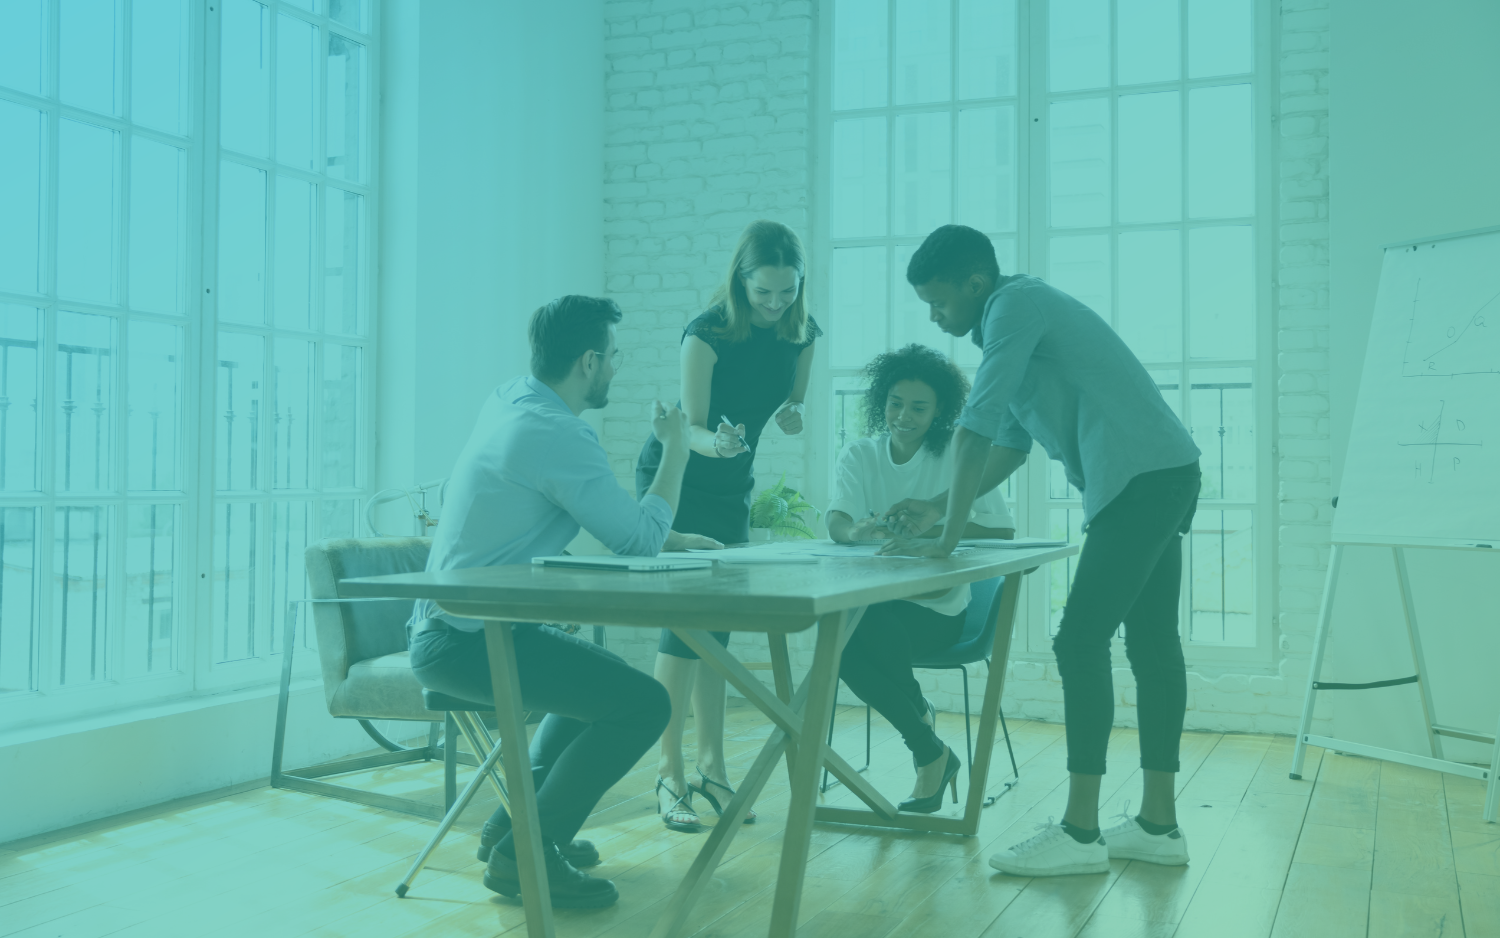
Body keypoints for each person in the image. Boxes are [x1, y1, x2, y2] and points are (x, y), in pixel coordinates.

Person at [882, 226, 1202, 876]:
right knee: (1151, 645)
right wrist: (939, 507)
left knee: (1079, 641)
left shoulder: (1013, 306)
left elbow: (973, 427)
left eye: (939, 302)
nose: (934, 317)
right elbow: (1007, 445)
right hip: (1163, 474)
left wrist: (948, 538)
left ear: (975, 284)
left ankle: (1080, 833)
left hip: (1139, 482)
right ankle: (1158, 826)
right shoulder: (1010, 324)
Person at [406, 295, 689, 909]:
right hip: (467, 644)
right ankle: (525, 856)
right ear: (589, 361)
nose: (615, 367)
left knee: (606, 686)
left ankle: (511, 828)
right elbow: (637, 541)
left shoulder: (510, 399)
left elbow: (612, 522)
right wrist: (676, 448)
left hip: (453, 631)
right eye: (613, 356)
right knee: (644, 704)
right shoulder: (559, 433)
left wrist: (667, 533)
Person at [634, 220, 820, 832]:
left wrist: (793, 416)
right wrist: (717, 442)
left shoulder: (802, 333)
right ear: (740, 280)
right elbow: (688, 428)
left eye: (787, 291)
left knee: (715, 632)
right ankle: (668, 774)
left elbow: (793, 402)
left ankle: (712, 770)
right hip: (678, 475)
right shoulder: (705, 333)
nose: (775, 304)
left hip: (731, 486)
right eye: (763, 291)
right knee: (681, 630)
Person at [825, 344, 1015, 813]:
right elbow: (837, 520)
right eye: (895, 403)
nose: (903, 416)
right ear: (881, 401)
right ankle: (930, 751)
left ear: (939, 411)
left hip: (939, 610)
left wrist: (932, 527)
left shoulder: (957, 453)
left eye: (918, 407)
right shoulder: (860, 453)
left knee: (851, 634)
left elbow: (1002, 531)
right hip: (875, 602)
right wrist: (855, 532)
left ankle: (924, 739)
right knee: (845, 634)